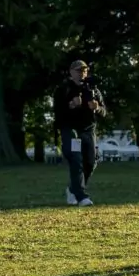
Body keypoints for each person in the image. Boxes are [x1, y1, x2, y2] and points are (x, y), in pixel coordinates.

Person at [53, 59, 106, 206]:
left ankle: (73, 189)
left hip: (88, 130)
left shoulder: (93, 90)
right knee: (76, 159)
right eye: (78, 70)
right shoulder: (63, 89)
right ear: (71, 72)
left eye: (84, 70)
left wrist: (97, 108)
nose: (81, 73)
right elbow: (57, 114)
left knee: (91, 161)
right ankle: (81, 196)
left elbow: (104, 112)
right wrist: (70, 105)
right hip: (71, 130)